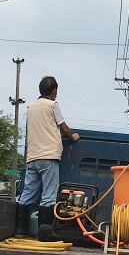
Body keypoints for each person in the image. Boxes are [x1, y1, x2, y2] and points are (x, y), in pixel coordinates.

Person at [15, 76, 79, 238]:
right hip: (49, 156)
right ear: (54, 91)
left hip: (32, 157)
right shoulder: (52, 105)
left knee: (27, 193)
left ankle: (20, 230)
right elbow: (64, 129)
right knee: (48, 196)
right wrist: (73, 137)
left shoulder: (31, 108)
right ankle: (44, 234)